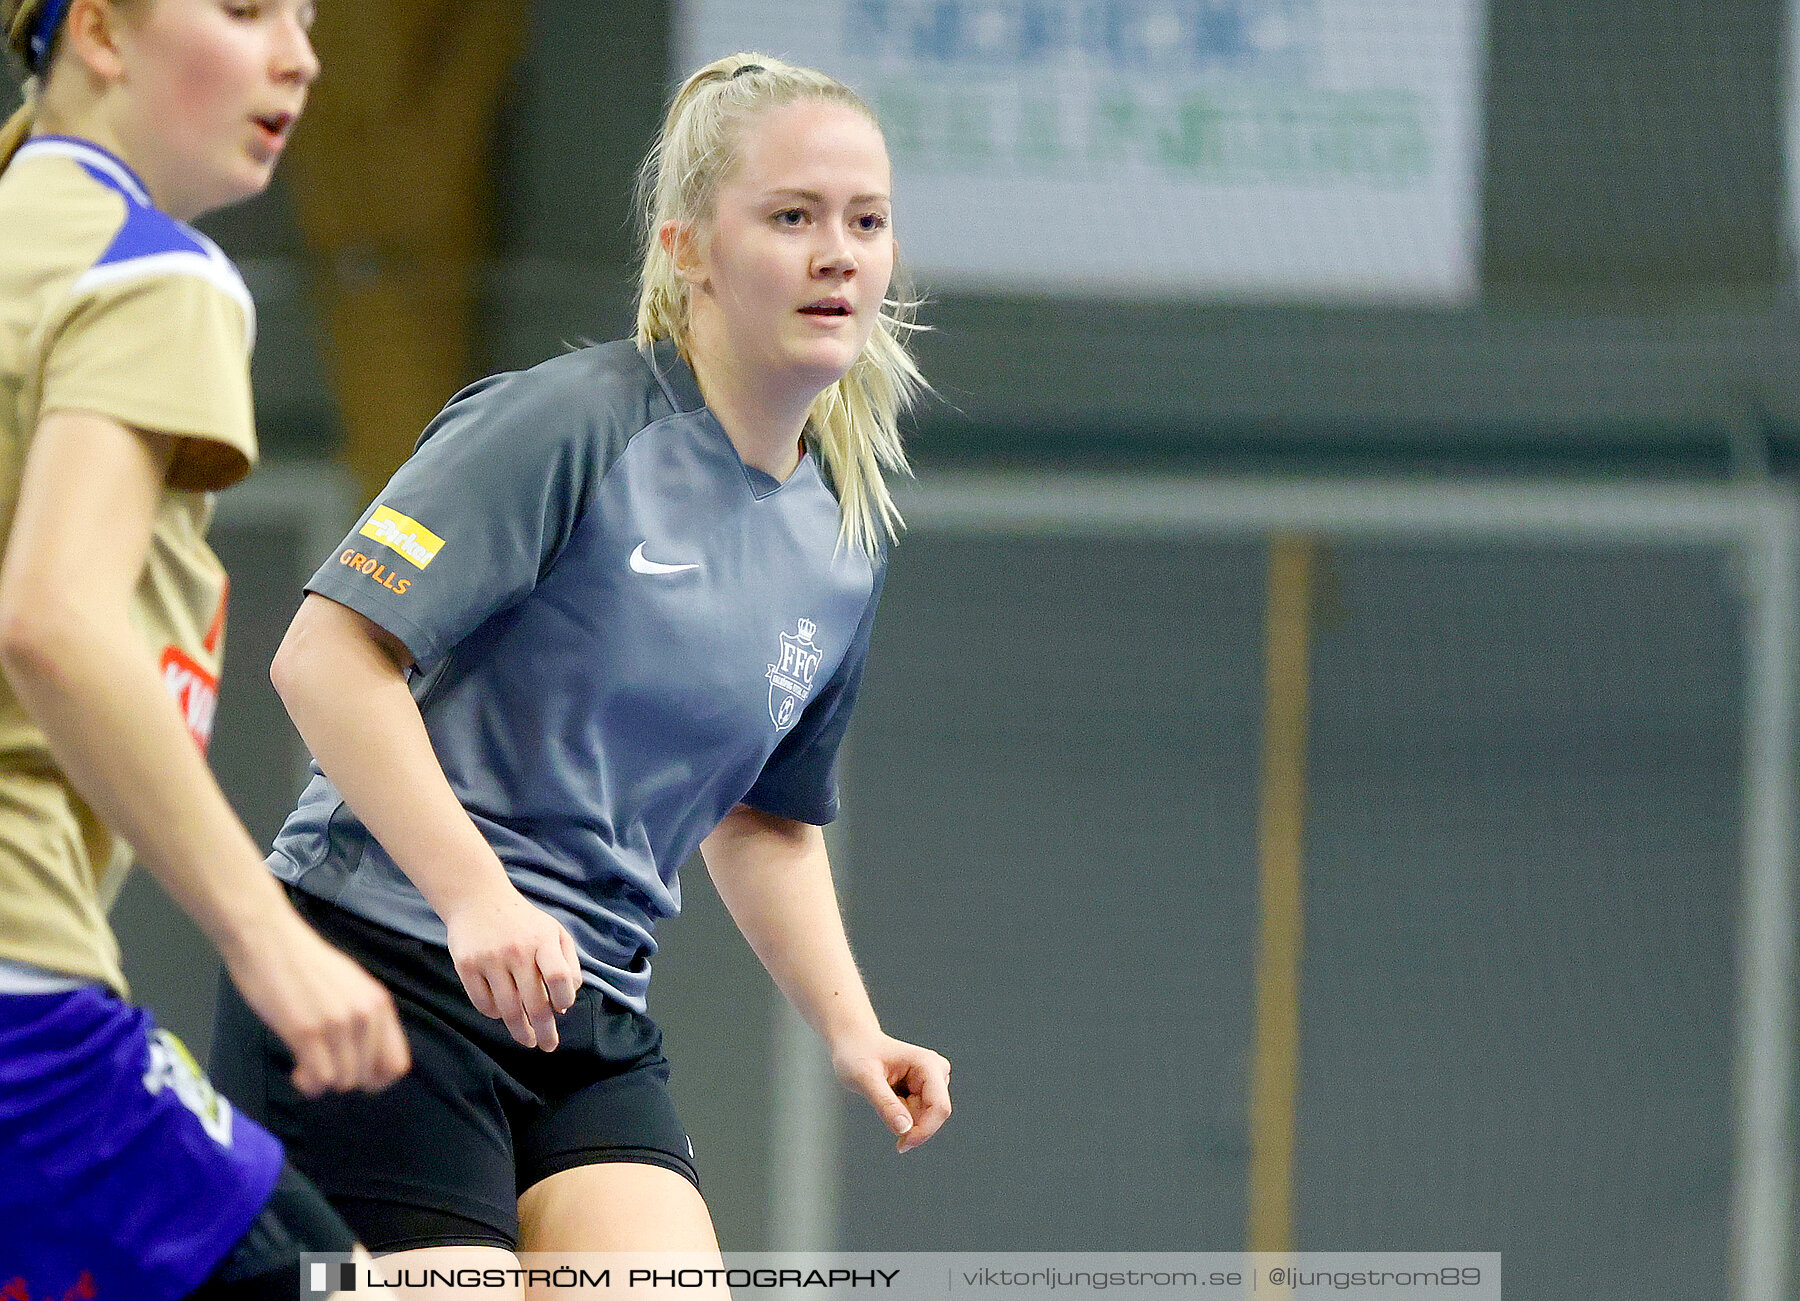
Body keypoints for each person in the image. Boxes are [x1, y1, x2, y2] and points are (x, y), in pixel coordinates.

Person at [208, 50, 954, 1283]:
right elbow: (325, 658)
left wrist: (851, 1026)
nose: (839, 252)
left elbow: (767, 821)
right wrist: (473, 894)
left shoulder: (838, 540)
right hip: (376, 958)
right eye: (792, 216)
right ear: (688, 249)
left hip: (581, 1007)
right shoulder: (574, 422)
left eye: (865, 222)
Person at [0, 1, 412, 1297]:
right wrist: (266, 938)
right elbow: (55, 619)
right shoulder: (146, 271)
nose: (298, 53)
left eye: (304, 15)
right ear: (103, 34)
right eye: (244, 10)